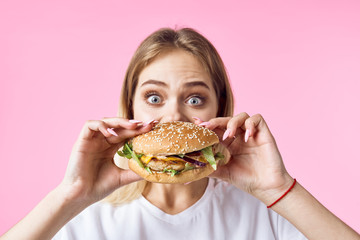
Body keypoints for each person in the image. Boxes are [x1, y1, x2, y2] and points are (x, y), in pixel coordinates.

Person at [1, 28, 359, 240]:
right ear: (131, 110)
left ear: (220, 110)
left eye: (195, 98)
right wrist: (70, 195)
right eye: (153, 97)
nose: (173, 115)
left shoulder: (266, 212)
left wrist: (279, 189)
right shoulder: (87, 217)